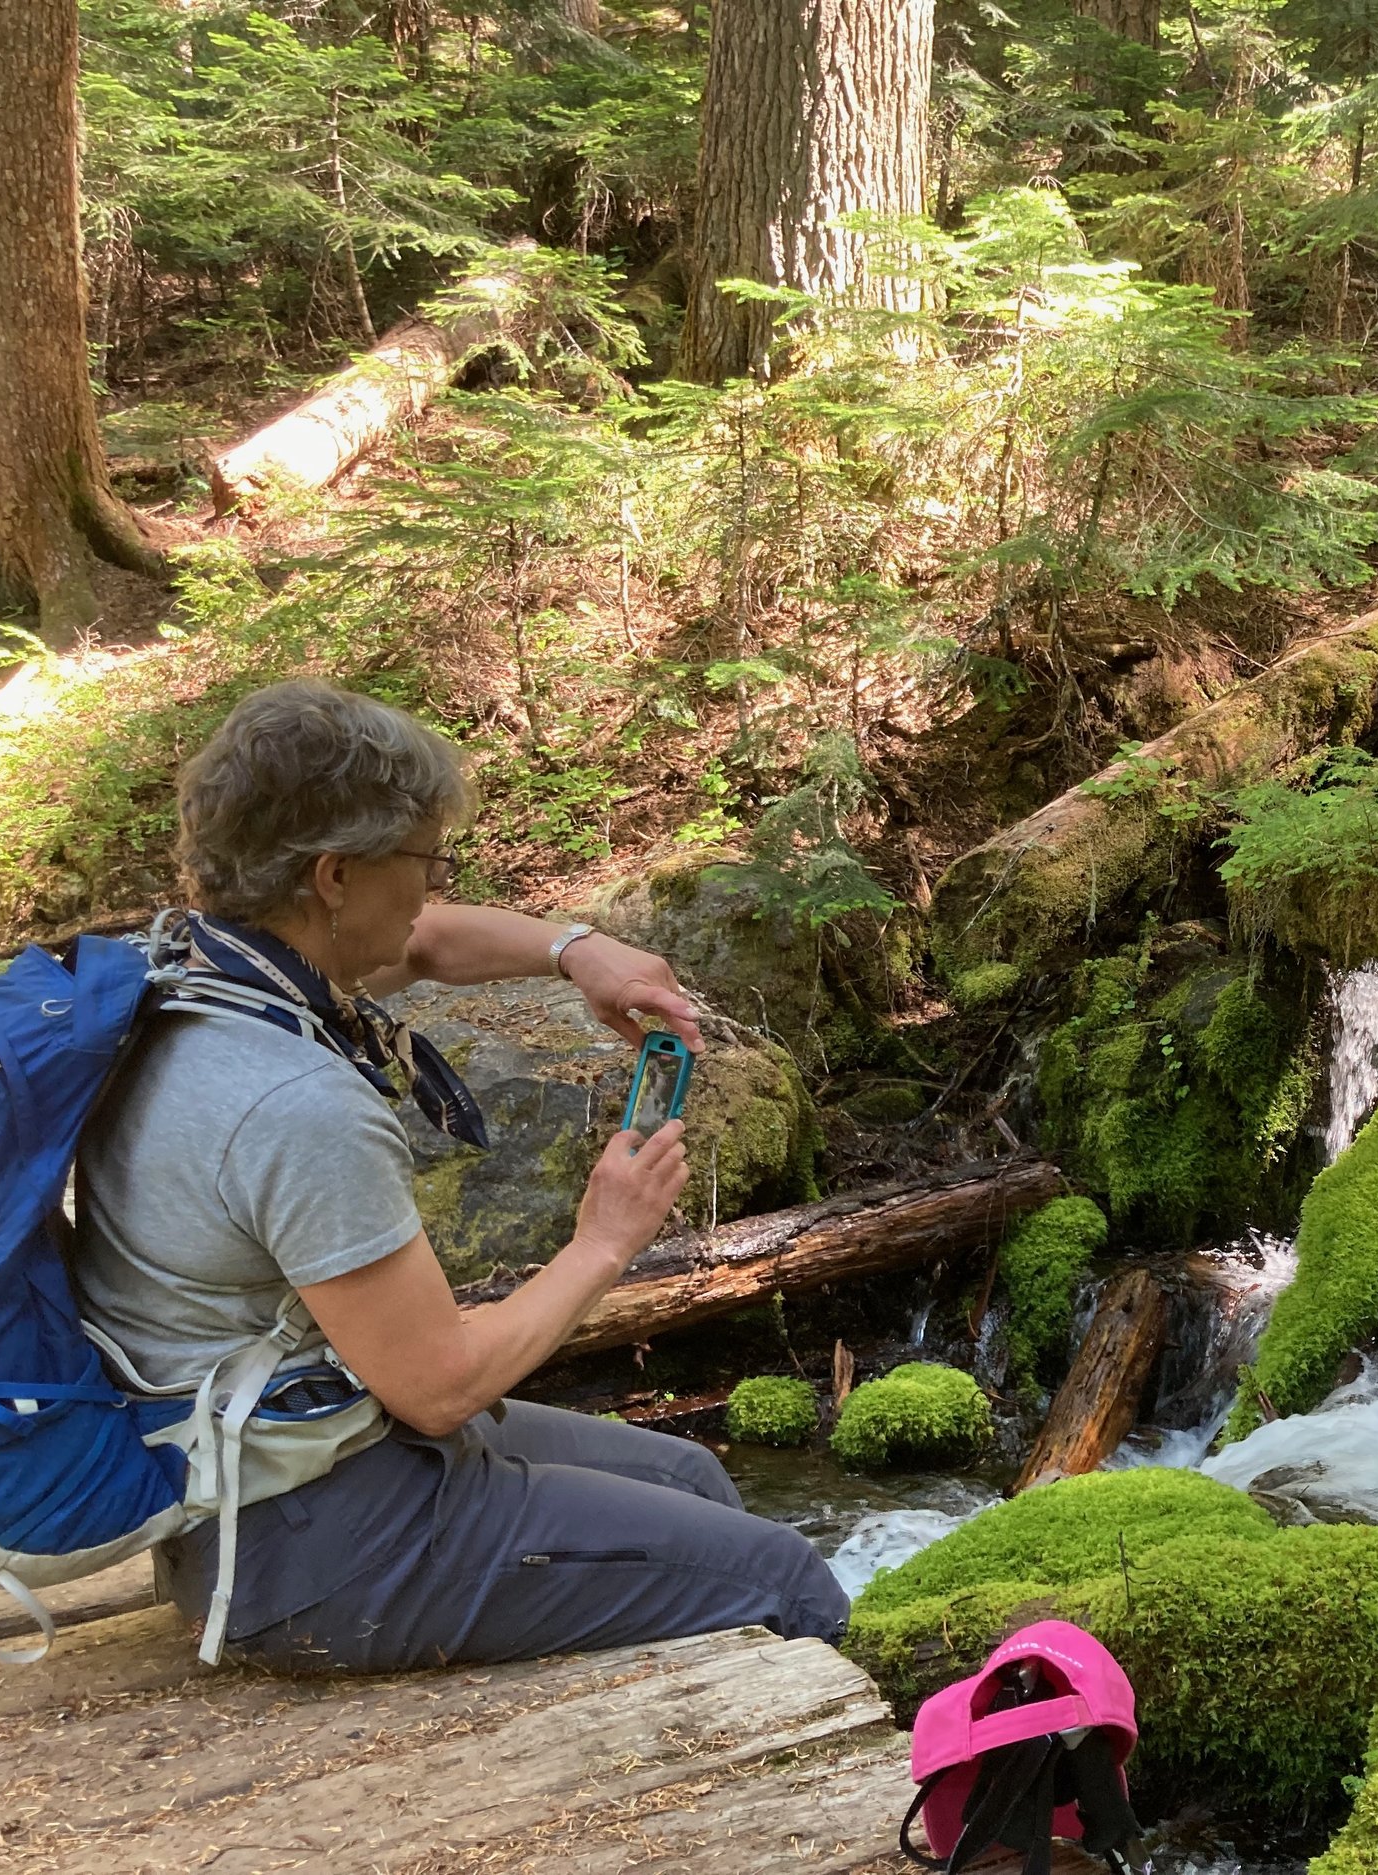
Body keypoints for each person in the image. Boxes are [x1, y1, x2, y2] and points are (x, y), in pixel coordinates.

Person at [71, 678, 848, 1670]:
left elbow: (429, 945)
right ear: (334, 875)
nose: (433, 885)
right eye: (424, 860)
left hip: (276, 1470)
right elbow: (440, 1389)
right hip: (311, 1551)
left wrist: (581, 951)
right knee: (786, 1581)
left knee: (689, 1480)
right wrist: (604, 1242)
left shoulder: (190, 975)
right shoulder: (292, 1105)